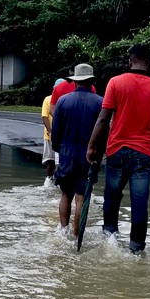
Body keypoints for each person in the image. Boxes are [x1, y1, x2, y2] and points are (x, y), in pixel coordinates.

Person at [87, 44, 150, 254]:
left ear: (130, 60)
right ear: (148, 61)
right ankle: (136, 249)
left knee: (112, 196)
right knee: (140, 201)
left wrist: (91, 146)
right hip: (144, 154)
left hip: (117, 151)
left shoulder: (116, 83)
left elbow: (103, 118)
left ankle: (110, 240)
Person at [50, 63, 103, 235]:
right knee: (81, 197)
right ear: (91, 81)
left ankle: (63, 231)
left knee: (66, 194)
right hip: (89, 156)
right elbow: (103, 132)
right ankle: (76, 234)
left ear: (75, 81)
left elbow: (55, 133)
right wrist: (99, 154)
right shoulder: (100, 102)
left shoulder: (63, 101)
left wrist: (59, 149)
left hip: (67, 154)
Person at [40, 80, 61, 189]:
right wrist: (50, 131)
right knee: (50, 160)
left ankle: (57, 181)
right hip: (49, 136)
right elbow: (44, 116)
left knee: (59, 161)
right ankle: (49, 179)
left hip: (62, 136)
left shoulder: (64, 100)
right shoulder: (48, 99)